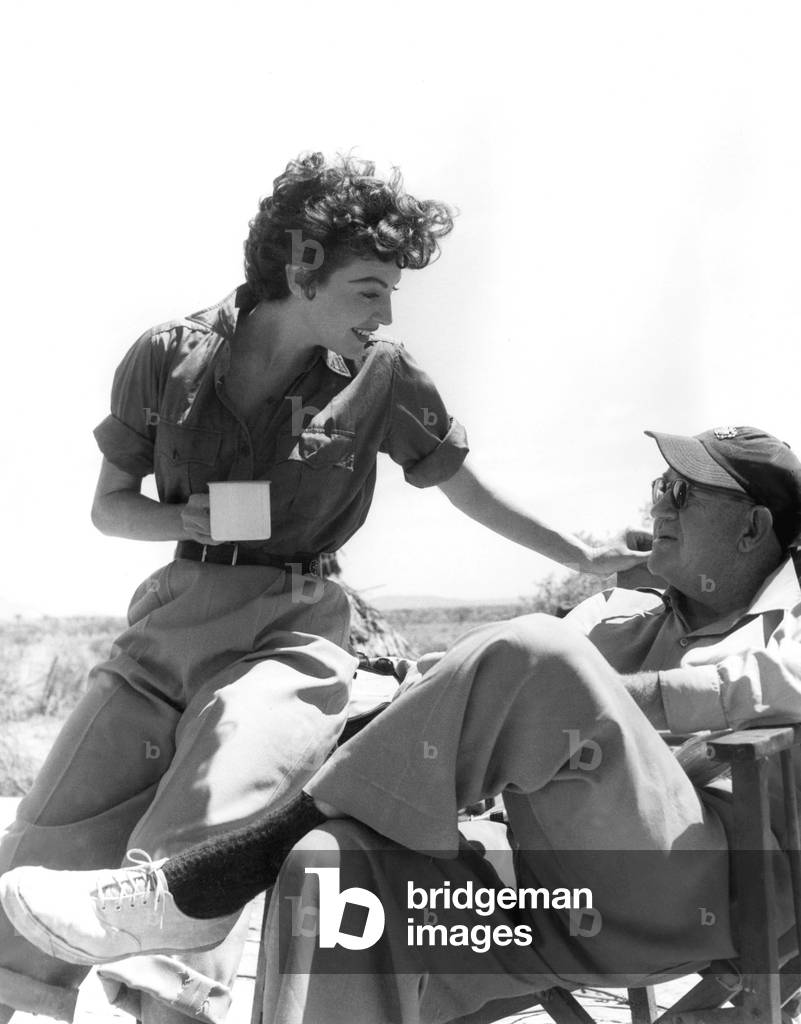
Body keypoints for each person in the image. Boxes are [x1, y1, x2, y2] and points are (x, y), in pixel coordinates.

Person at [0, 152, 646, 1023]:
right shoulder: (165, 356)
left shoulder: (383, 375)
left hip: (294, 624)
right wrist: (183, 523)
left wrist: (586, 555)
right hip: (171, 619)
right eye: (369, 289)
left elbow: (463, 486)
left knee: (220, 795)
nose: (384, 315)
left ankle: (171, 986)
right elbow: (111, 511)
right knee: (41, 853)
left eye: (391, 295)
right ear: (302, 271)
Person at [4, 425, 801, 1024]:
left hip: (702, 891)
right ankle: (221, 878)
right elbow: (467, 688)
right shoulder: (616, 612)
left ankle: (203, 883)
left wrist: (609, 690)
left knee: (538, 651)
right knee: (330, 858)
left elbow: (761, 683)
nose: (655, 506)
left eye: (681, 493)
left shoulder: (788, 626)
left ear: (752, 527)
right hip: (546, 885)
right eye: (657, 487)